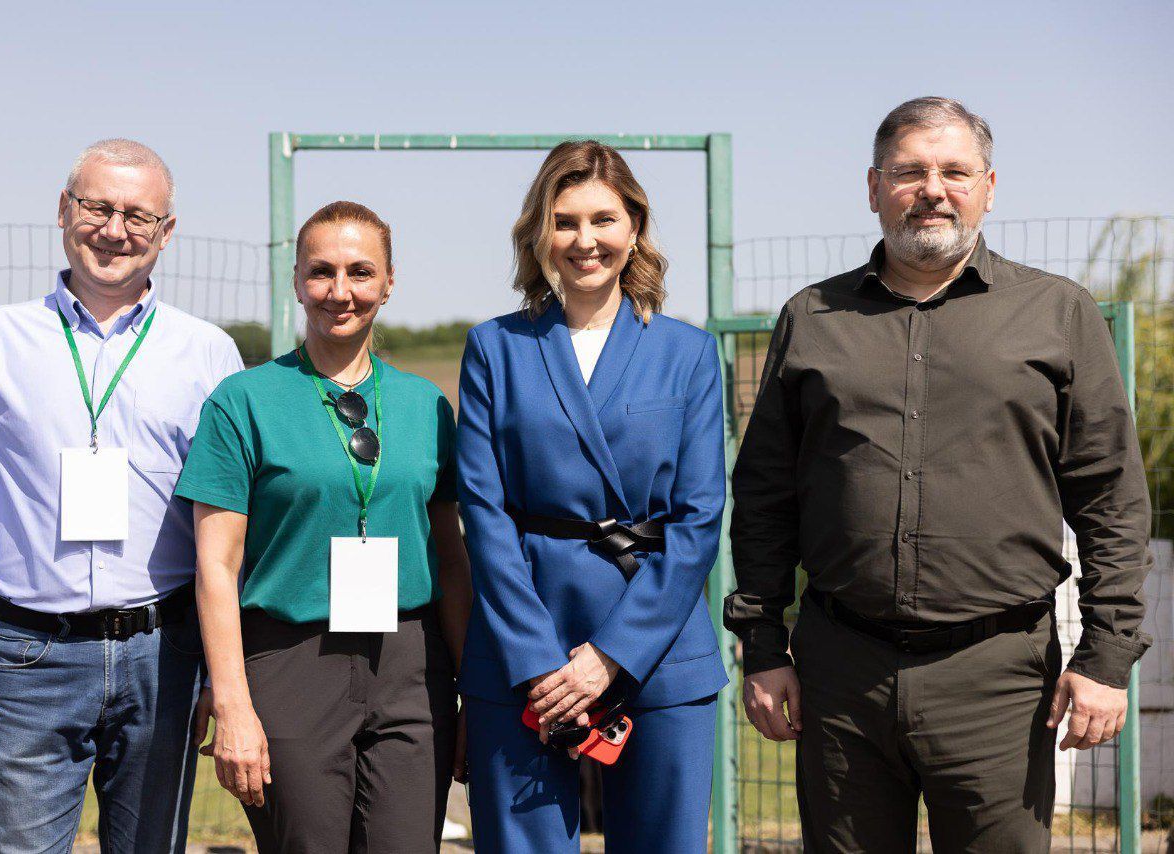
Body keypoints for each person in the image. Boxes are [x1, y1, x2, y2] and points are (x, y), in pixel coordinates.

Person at [725, 97, 1152, 852]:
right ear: (872, 186)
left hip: (999, 676)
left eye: (955, 171)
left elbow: (1110, 497)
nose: (933, 189)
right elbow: (765, 495)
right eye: (909, 171)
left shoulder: (1057, 313)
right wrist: (762, 646)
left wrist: (1107, 656)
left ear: (989, 186)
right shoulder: (812, 317)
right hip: (842, 672)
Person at [0, 138, 244, 852]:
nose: (115, 230)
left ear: (166, 232)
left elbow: (230, 529)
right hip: (31, 653)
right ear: (64, 210)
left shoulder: (208, 353)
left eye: (138, 216)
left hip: (166, 653)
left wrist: (223, 671)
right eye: (97, 207)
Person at [457, 140, 728, 853]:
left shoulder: (688, 353)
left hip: (656, 642)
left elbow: (699, 521)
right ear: (541, 232)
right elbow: (483, 512)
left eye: (603, 219)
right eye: (566, 220)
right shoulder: (495, 347)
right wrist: (542, 661)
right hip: (526, 650)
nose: (586, 240)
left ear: (633, 226)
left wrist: (610, 655)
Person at [176, 200, 471, 853]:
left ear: (389, 282)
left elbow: (450, 558)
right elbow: (216, 567)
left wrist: (470, 689)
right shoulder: (242, 401)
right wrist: (233, 704)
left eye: (361, 272)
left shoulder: (428, 407)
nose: (341, 292)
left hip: (412, 663)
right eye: (322, 272)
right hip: (289, 658)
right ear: (297, 281)